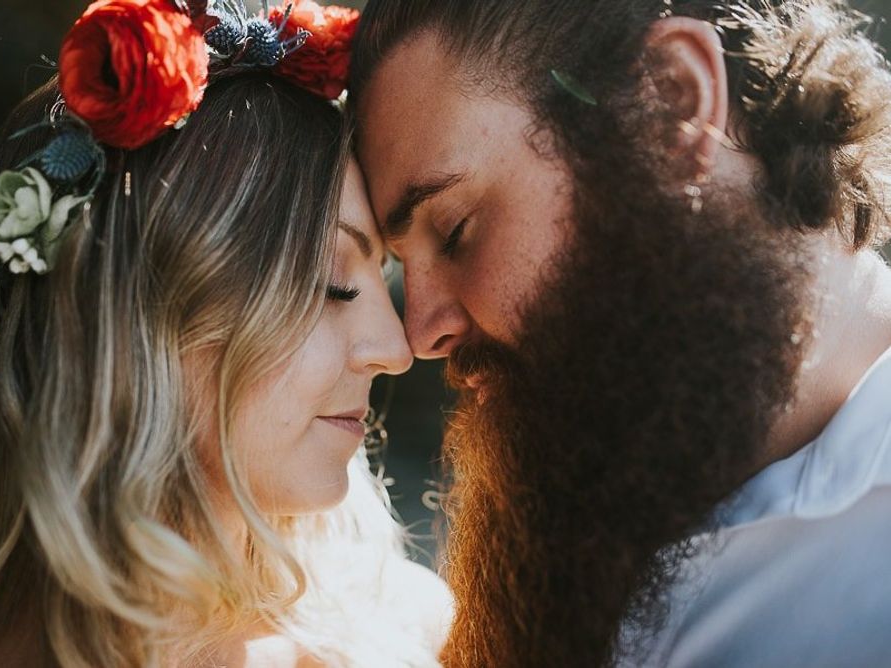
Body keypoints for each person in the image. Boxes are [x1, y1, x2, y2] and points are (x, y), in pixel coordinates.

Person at [0, 1, 450, 666]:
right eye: (328, 282)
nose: (396, 350)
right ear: (135, 312)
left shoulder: (411, 625)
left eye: (379, 276)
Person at [349, 0, 891, 666]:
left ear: (672, 107)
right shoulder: (590, 532)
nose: (419, 335)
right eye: (399, 265)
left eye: (456, 230)